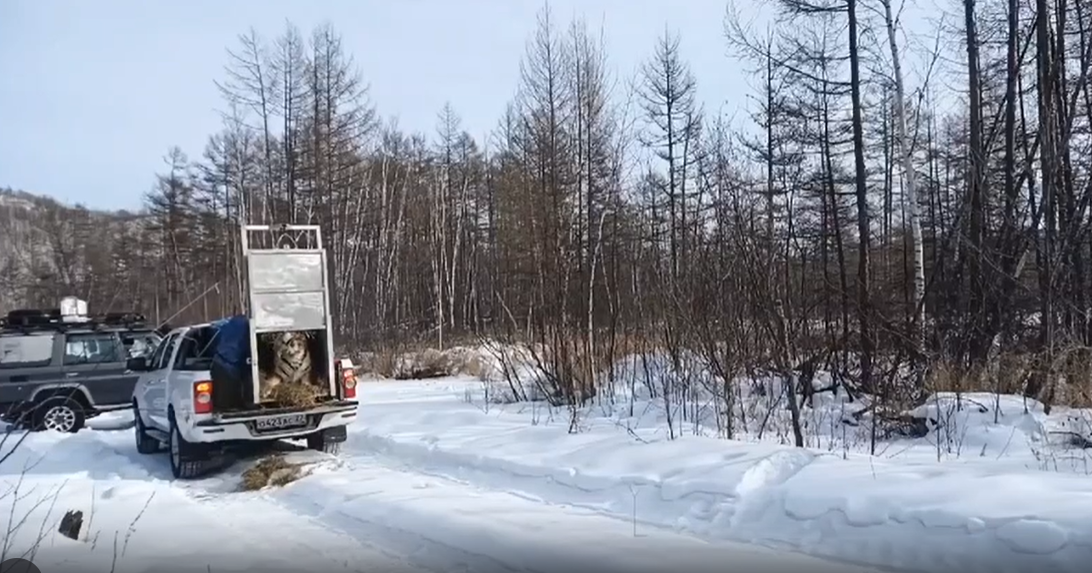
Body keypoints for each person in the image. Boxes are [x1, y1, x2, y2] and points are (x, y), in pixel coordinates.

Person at [210, 314, 253, 409]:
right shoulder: (247, 326)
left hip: (222, 362)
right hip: (231, 363)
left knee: (225, 400)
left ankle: (229, 407)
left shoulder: (226, 324)